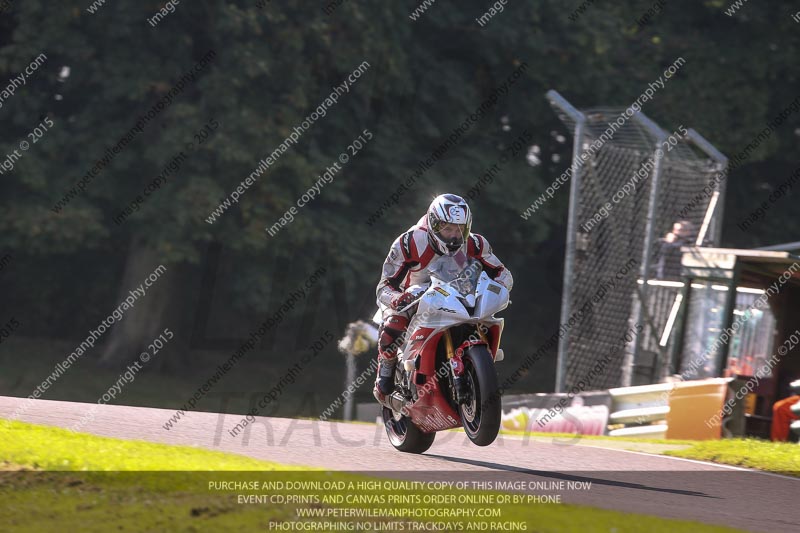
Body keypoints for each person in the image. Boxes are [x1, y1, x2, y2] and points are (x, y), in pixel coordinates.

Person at [373, 194, 513, 401]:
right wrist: (397, 299)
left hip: (455, 294)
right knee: (393, 326)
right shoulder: (408, 243)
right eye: (447, 228)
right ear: (433, 224)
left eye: (459, 229)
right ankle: (385, 372)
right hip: (412, 296)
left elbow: (502, 272)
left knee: (485, 319)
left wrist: (498, 287)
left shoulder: (475, 243)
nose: (454, 236)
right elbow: (384, 286)